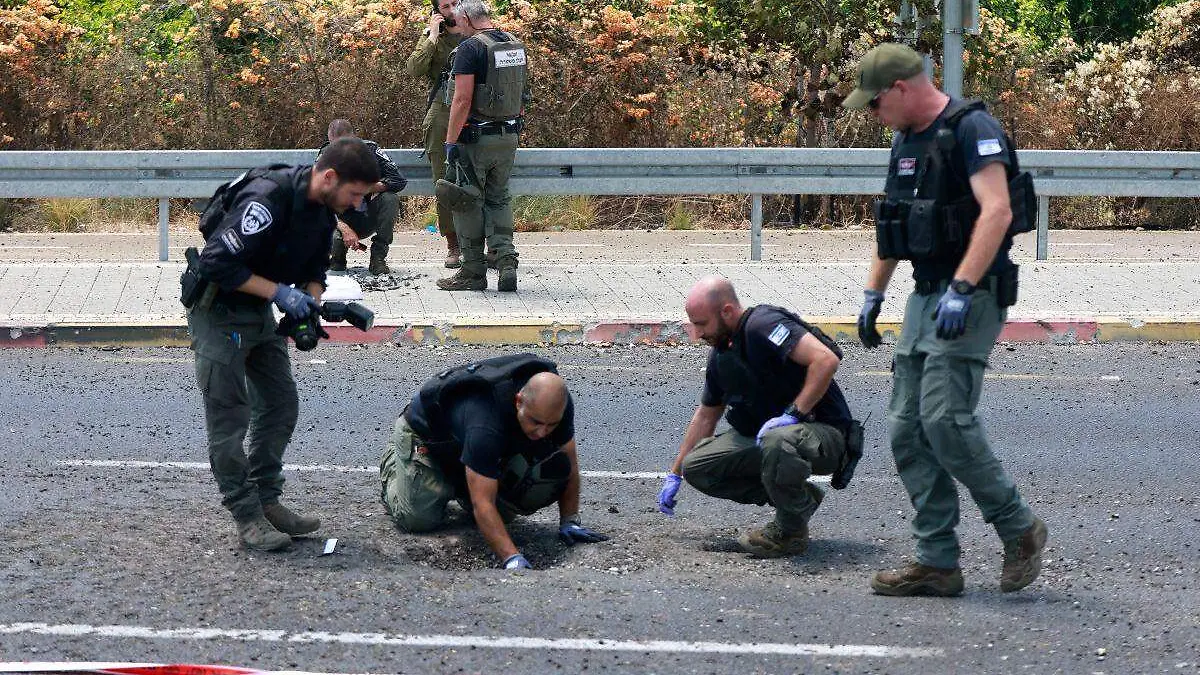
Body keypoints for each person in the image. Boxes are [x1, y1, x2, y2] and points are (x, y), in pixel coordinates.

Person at [843, 42, 1047, 596]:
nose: (872, 113)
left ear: (901, 88)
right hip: (924, 296)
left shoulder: (971, 128)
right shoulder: (904, 140)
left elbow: (997, 210)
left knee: (945, 421)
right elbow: (893, 222)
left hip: (971, 296)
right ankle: (937, 562)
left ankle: (1019, 527)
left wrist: (962, 288)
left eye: (875, 102)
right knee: (906, 429)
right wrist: (873, 294)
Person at [188, 137, 380, 551]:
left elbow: (315, 271)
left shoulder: (323, 214)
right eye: (355, 194)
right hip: (218, 310)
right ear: (330, 177)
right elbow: (217, 263)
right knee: (230, 418)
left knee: (279, 403)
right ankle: (247, 516)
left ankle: (266, 500)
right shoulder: (267, 198)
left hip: (258, 310)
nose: (358, 205)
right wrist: (279, 293)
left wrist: (308, 305)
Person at [656, 277, 861, 557]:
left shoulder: (763, 325)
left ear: (727, 311)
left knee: (778, 439)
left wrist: (794, 414)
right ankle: (799, 501)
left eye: (702, 324)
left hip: (824, 435)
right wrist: (675, 473)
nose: (697, 333)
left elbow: (826, 360)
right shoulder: (721, 355)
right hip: (774, 438)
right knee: (698, 466)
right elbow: (705, 416)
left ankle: (790, 533)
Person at [380, 353, 608, 569]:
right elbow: (483, 503)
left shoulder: (556, 407)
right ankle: (394, 464)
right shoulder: (486, 422)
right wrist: (511, 558)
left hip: (468, 443)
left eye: (551, 425)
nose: (542, 432)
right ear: (518, 401)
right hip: (427, 437)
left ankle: (463, 480)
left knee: (505, 514)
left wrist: (569, 520)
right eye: (536, 422)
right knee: (418, 519)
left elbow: (569, 464)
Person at [435, 0, 529, 292]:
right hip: (508, 136)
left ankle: (473, 271)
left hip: (476, 139)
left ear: (466, 18)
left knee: (466, 202)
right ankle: (506, 262)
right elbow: (521, 93)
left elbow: (462, 99)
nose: (456, 24)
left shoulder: (470, 48)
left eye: (457, 18)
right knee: (499, 199)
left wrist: (450, 141)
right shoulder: (513, 44)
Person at [406, 0, 465, 269]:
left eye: (455, 3)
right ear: (437, 11)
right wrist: (431, 35)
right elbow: (414, 69)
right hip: (442, 111)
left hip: (475, 111)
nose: (451, 10)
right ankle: (453, 243)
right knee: (444, 180)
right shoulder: (432, 37)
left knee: (480, 178)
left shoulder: (474, 31)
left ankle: (485, 242)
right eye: (445, 6)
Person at [317, 119, 408, 275]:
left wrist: (368, 187)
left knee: (390, 198)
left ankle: (378, 258)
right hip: (339, 221)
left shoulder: (371, 150)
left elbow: (399, 180)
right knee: (335, 260)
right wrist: (344, 229)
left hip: (366, 215)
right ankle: (336, 259)